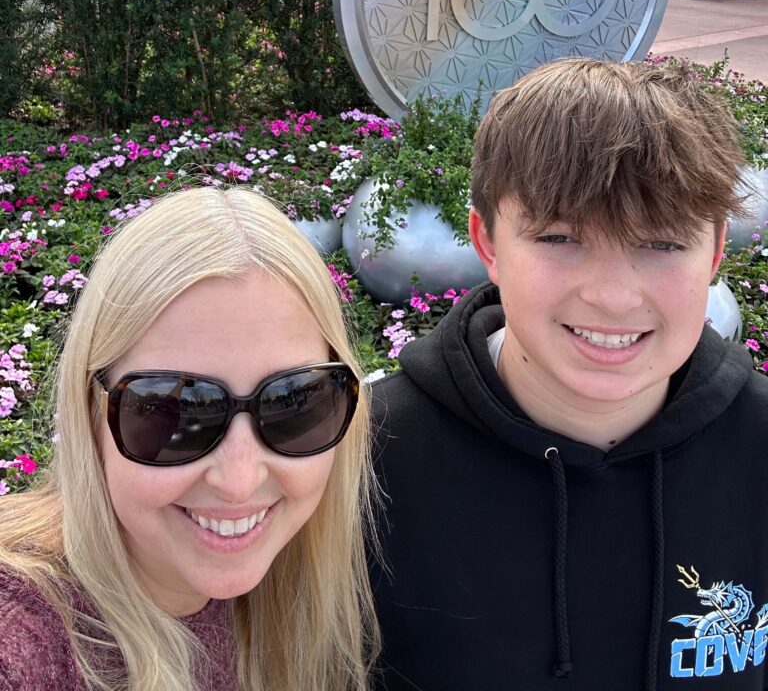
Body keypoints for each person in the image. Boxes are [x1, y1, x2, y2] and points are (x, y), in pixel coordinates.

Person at [369, 59, 768, 691]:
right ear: (489, 243)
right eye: (559, 238)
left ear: (716, 250)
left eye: (661, 244)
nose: (612, 297)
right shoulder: (368, 460)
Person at [0, 187, 378, 691]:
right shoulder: (24, 635)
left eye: (293, 401)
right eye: (173, 411)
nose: (239, 481)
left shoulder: (295, 596)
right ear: (90, 411)